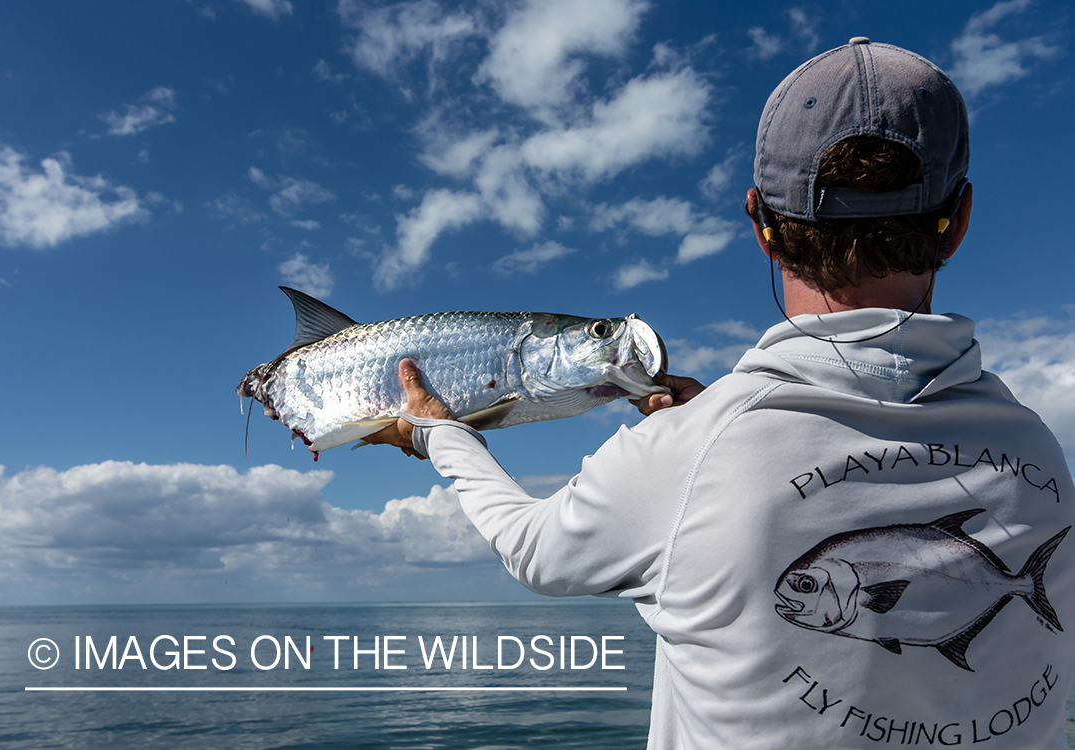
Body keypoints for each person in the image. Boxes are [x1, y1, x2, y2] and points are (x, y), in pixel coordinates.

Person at [369, 38, 1075, 749]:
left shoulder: (689, 451)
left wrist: (439, 431)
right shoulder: (1038, 450)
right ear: (959, 221)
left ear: (759, 225)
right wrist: (708, 431)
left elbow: (531, 551)